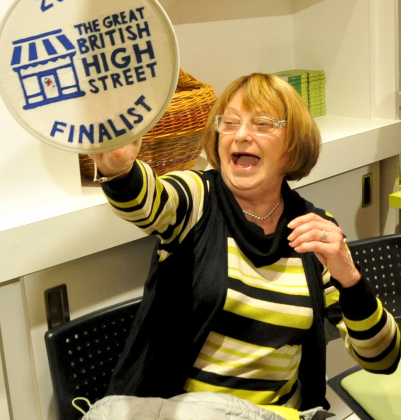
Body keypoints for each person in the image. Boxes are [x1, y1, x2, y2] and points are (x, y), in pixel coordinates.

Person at [90, 73, 400, 420]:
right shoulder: (197, 198)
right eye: (230, 122)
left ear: (293, 144)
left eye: (263, 124)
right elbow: (149, 201)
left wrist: (350, 279)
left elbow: (383, 359)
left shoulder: (313, 229)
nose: (240, 135)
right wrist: (118, 170)